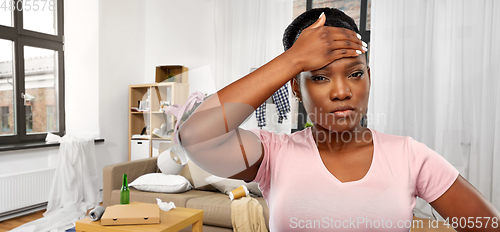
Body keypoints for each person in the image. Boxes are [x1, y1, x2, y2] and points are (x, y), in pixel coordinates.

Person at [178, 7, 500, 231]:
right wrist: (294, 58)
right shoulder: (272, 154)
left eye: (356, 74)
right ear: (295, 86)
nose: (342, 92)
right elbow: (195, 136)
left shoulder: (410, 156)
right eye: (319, 78)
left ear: (368, 78)